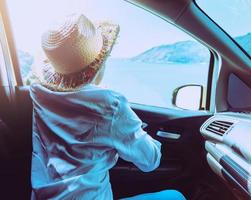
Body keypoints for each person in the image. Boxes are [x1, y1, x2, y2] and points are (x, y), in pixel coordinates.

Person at [30, 14, 186, 200]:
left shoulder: (36, 94)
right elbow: (150, 161)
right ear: (94, 68)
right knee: (175, 196)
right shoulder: (109, 105)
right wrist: (133, 130)